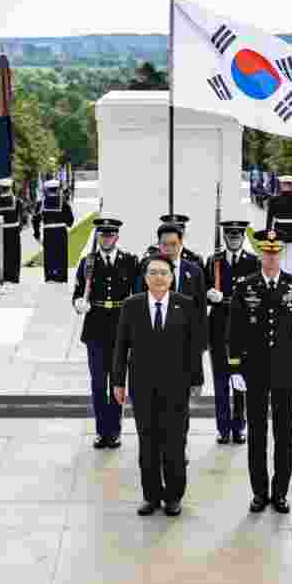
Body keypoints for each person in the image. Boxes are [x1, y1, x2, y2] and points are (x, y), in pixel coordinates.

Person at [227, 229, 292, 514]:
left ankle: (280, 492)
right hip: (254, 369)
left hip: (285, 369)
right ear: (260, 254)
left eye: (276, 253)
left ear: (282, 254)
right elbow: (235, 329)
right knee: (257, 434)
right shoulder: (245, 286)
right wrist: (234, 367)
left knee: (284, 434)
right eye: (267, 252)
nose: (272, 258)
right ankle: (259, 492)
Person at [112, 254, 204, 517]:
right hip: (143, 387)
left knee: (174, 443)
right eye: (153, 272)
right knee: (148, 444)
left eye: (164, 272)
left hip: (176, 387)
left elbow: (193, 346)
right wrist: (118, 382)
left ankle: (173, 496)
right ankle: (151, 496)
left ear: (172, 277)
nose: (158, 277)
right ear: (145, 278)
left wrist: (197, 379)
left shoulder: (185, 305)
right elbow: (121, 346)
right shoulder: (131, 305)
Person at [73, 217, 140, 450]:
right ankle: (102, 431)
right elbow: (78, 291)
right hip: (95, 328)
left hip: (120, 328)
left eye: (110, 235)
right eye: (103, 235)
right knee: (98, 384)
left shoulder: (130, 261)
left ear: (117, 237)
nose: (107, 239)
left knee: (117, 382)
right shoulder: (87, 262)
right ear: (98, 237)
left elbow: (136, 294)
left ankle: (115, 430)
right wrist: (79, 303)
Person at [204, 220, 259, 444]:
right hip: (218, 327)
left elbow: (257, 295)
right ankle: (223, 428)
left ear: (243, 237)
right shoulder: (213, 261)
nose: (234, 239)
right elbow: (203, 288)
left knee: (241, 382)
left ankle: (239, 426)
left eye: (237, 236)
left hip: (242, 329)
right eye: (230, 235)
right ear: (225, 237)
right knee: (220, 382)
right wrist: (209, 293)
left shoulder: (253, 262)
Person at [32, 179, 74, 282]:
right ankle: (61, 277)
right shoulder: (64, 203)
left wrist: (37, 233)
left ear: (47, 190)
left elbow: (35, 219)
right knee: (61, 255)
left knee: (49, 255)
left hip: (48, 232)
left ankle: (50, 276)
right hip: (60, 232)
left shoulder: (41, 203)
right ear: (58, 189)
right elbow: (70, 222)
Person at [266, 174, 292, 273]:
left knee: (280, 260)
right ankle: (290, 280)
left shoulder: (274, 200)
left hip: (278, 232)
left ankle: (280, 280)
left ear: (281, 185)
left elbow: (269, 218)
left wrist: (268, 232)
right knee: (291, 260)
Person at [0, 177, 24, 284]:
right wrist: (18, 228)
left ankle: (2, 276)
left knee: (1, 254)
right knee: (14, 254)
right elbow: (22, 218)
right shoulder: (17, 201)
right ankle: (14, 277)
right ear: (10, 188)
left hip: (0, 232)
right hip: (14, 232)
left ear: (0, 188)